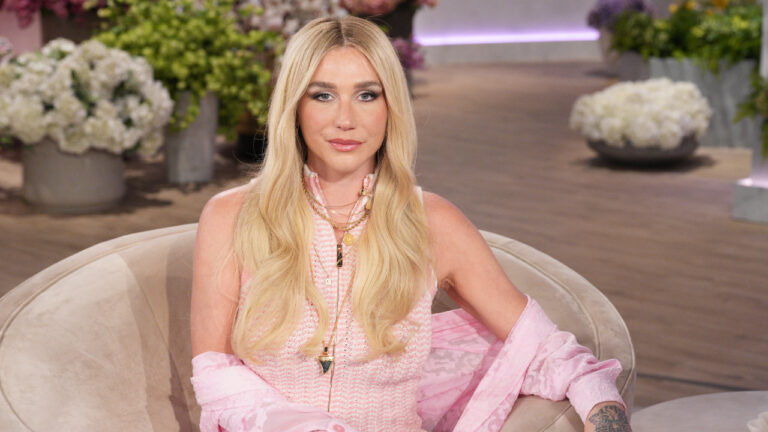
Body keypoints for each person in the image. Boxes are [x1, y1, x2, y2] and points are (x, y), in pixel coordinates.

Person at [190, 15, 631, 432]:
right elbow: (216, 374)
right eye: (323, 95)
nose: (346, 119)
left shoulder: (432, 222)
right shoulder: (233, 217)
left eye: (367, 95)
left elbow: (543, 347)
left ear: (391, 107)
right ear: (295, 107)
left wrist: (602, 406)